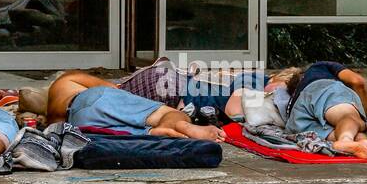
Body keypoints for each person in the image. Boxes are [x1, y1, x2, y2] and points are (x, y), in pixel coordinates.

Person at [45, 71, 226, 141]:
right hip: (93, 99)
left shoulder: (51, 113)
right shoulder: (65, 80)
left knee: (125, 133)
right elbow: (114, 89)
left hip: (79, 123)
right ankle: (183, 124)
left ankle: (157, 132)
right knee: (166, 113)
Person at [116, 57, 299, 123]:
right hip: (170, 89)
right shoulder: (254, 81)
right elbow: (234, 112)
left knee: (108, 95)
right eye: (281, 89)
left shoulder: (253, 77)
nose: (279, 96)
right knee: (106, 99)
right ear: (277, 78)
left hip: (168, 83)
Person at [285, 76, 367, 159]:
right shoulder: (320, 69)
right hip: (321, 89)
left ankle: (364, 144)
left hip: (296, 121)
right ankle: (346, 141)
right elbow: (358, 82)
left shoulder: (292, 101)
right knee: (349, 117)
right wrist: (363, 122)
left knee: (338, 131)